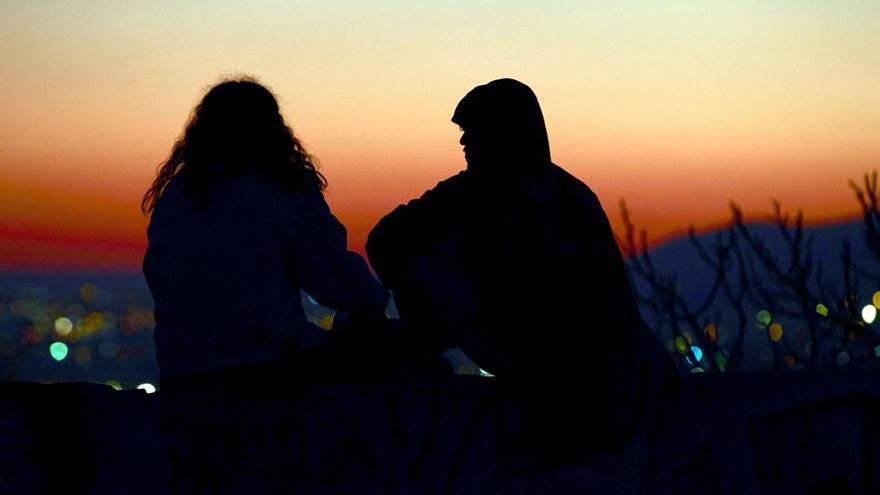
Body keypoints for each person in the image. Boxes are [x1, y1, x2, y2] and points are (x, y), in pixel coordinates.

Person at [367, 78, 678, 467]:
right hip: (604, 373)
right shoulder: (555, 193)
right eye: (463, 133)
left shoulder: (518, 199)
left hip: (571, 370)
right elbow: (386, 240)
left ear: (501, 133)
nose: (463, 144)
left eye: (473, 132)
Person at [142, 77, 390, 389]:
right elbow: (334, 278)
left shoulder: (177, 196)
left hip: (182, 375)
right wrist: (374, 299)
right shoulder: (280, 190)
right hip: (266, 369)